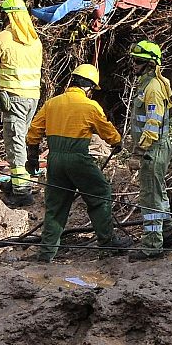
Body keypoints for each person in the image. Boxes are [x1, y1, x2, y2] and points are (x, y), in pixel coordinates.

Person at [25, 63, 131, 263]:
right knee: (100, 193)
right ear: (89, 87)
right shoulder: (90, 106)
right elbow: (107, 130)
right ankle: (107, 242)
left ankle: (46, 253)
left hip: (54, 161)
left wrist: (32, 156)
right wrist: (117, 142)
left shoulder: (52, 103)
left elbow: (34, 131)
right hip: (78, 158)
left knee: (56, 206)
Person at [0, 0, 43, 207]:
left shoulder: (2, 38)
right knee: (23, 138)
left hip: (13, 98)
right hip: (33, 98)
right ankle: (16, 180)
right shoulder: (35, 40)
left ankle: (22, 191)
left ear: (7, 16)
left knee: (15, 143)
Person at [127, 41, 172, 260]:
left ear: (149, 64)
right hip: (152, 148)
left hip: (153, 149)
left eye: (138, 62)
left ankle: (152, 244)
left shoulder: (153, 88)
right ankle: (167, 233)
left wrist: (139, 152)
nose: (134, 65)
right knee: (159, 192)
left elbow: (152, 124)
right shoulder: (147, 85)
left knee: (150, 197)